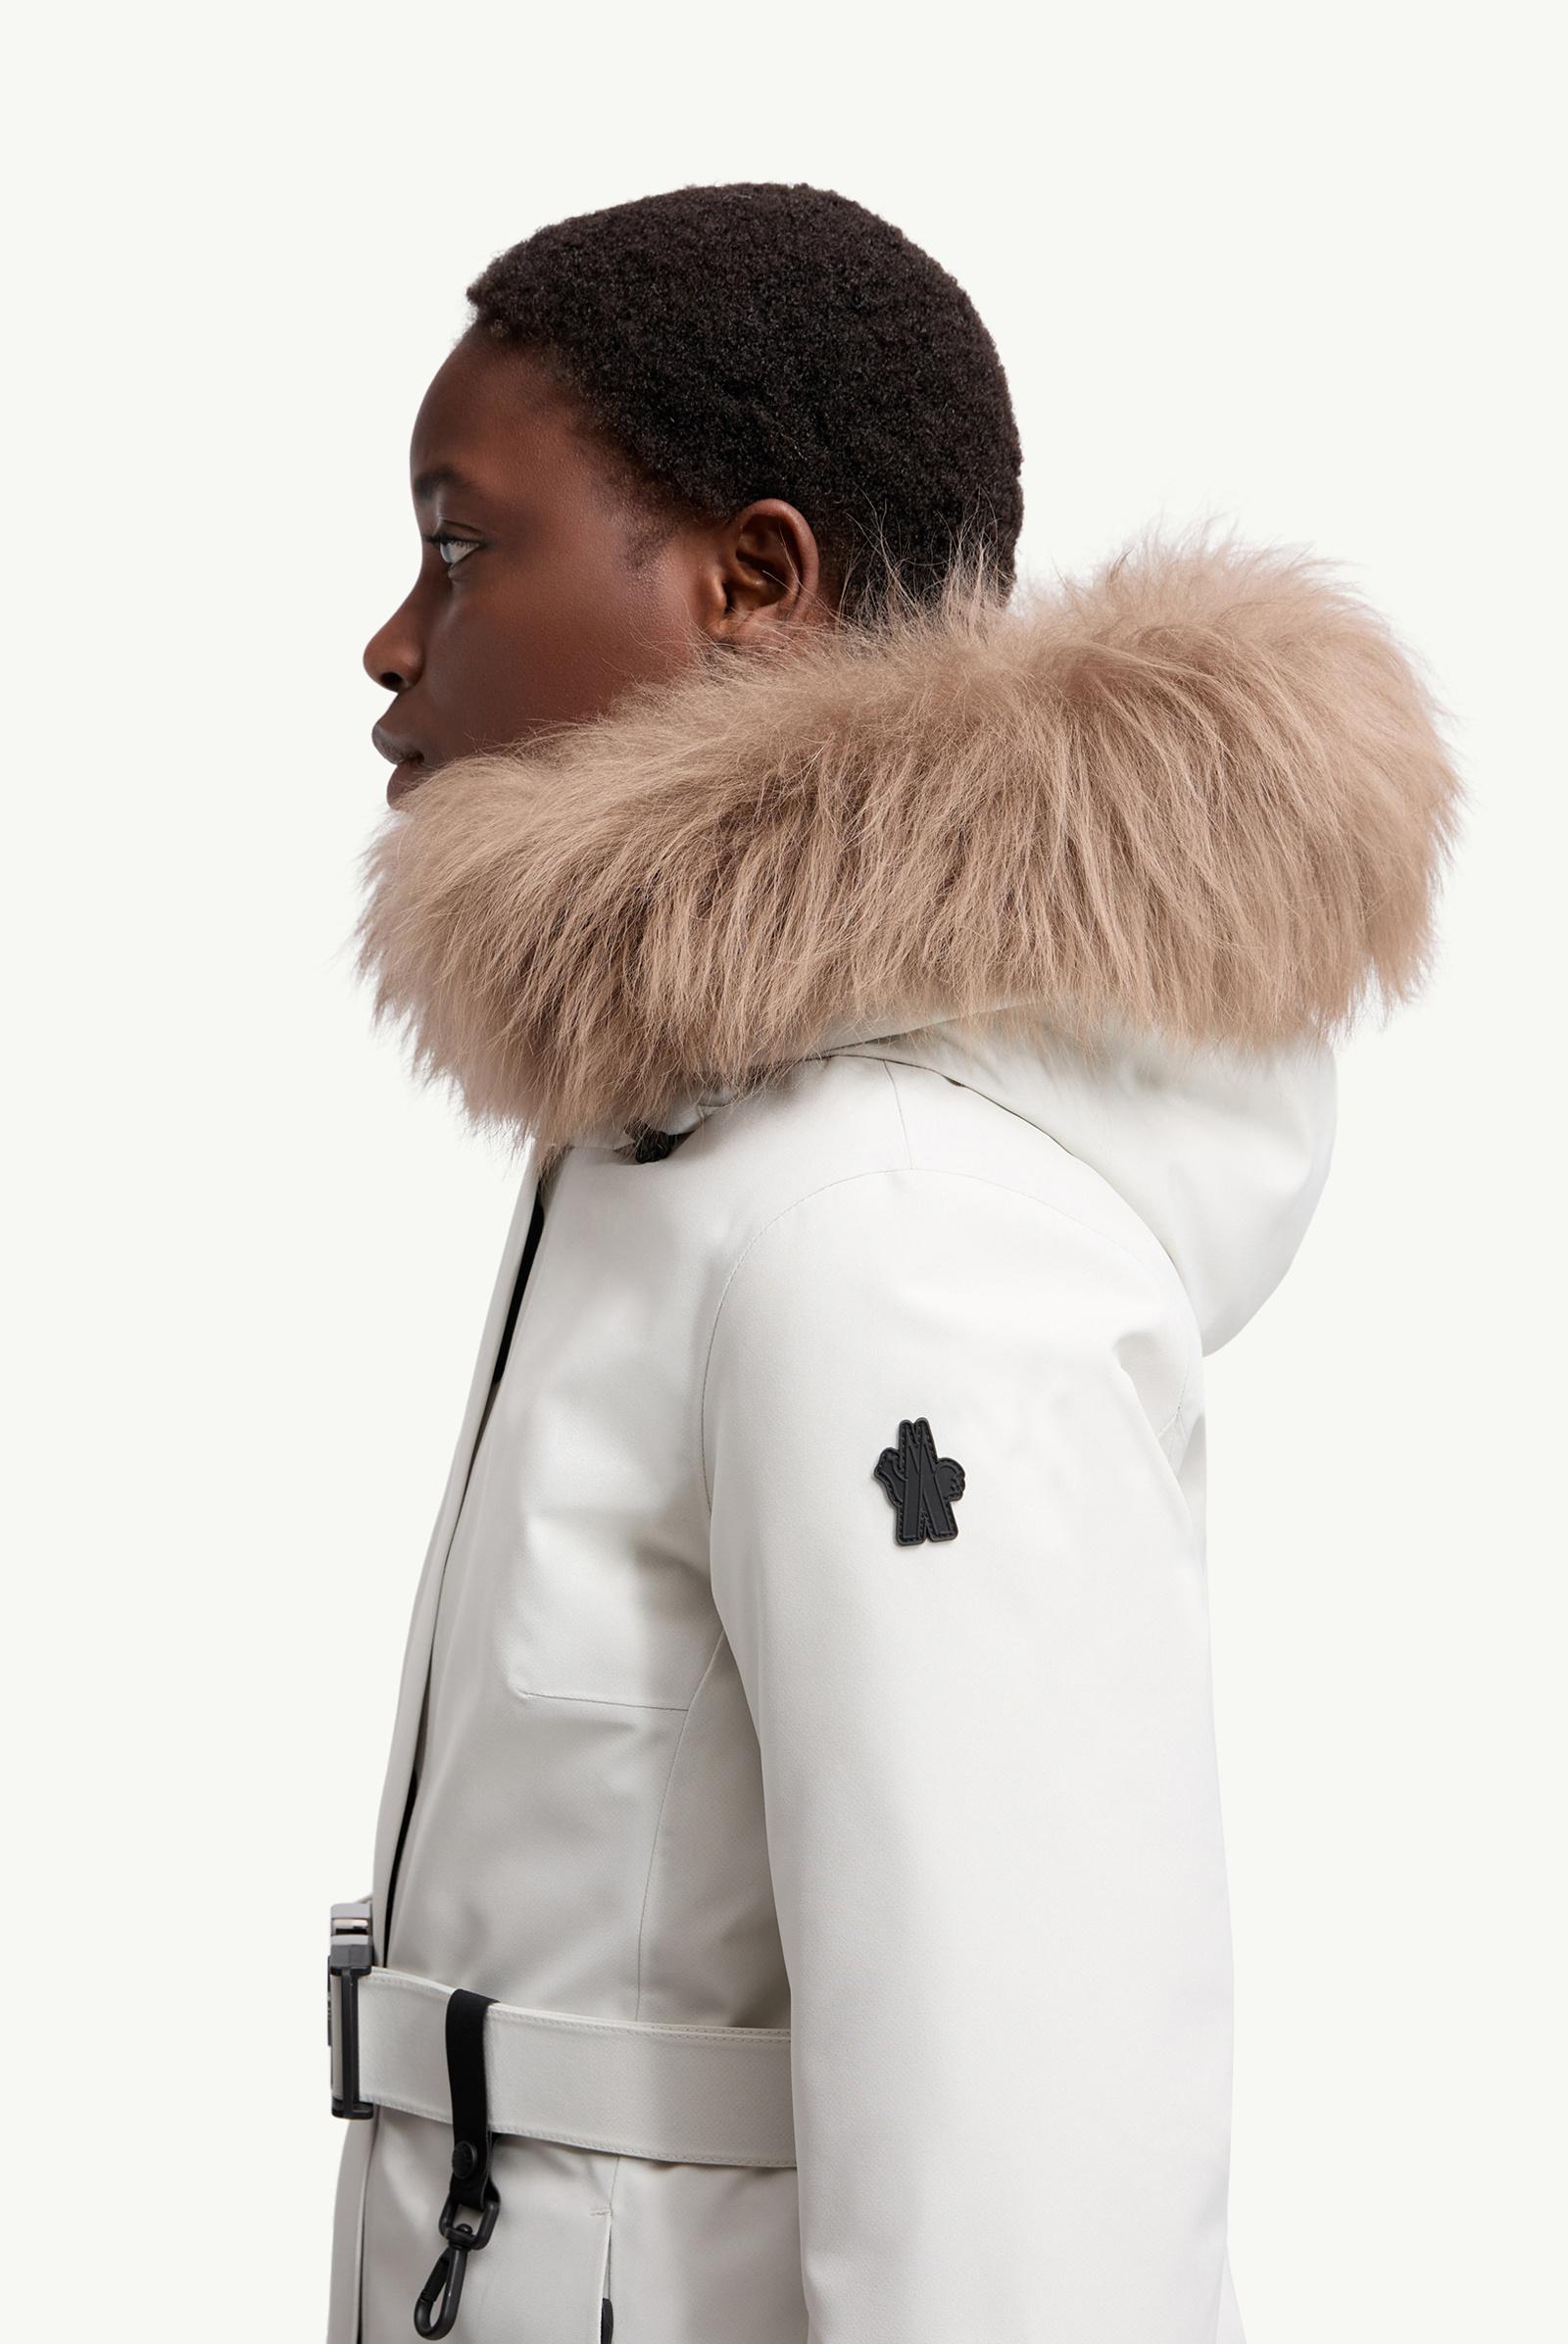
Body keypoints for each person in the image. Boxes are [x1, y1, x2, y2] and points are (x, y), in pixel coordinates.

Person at [327, 181, 1459, 2344]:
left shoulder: (890, 1235)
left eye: (460, 546)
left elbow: (1036, 2162)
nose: (393, 639)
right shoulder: (690, 1147)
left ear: (754, 582)